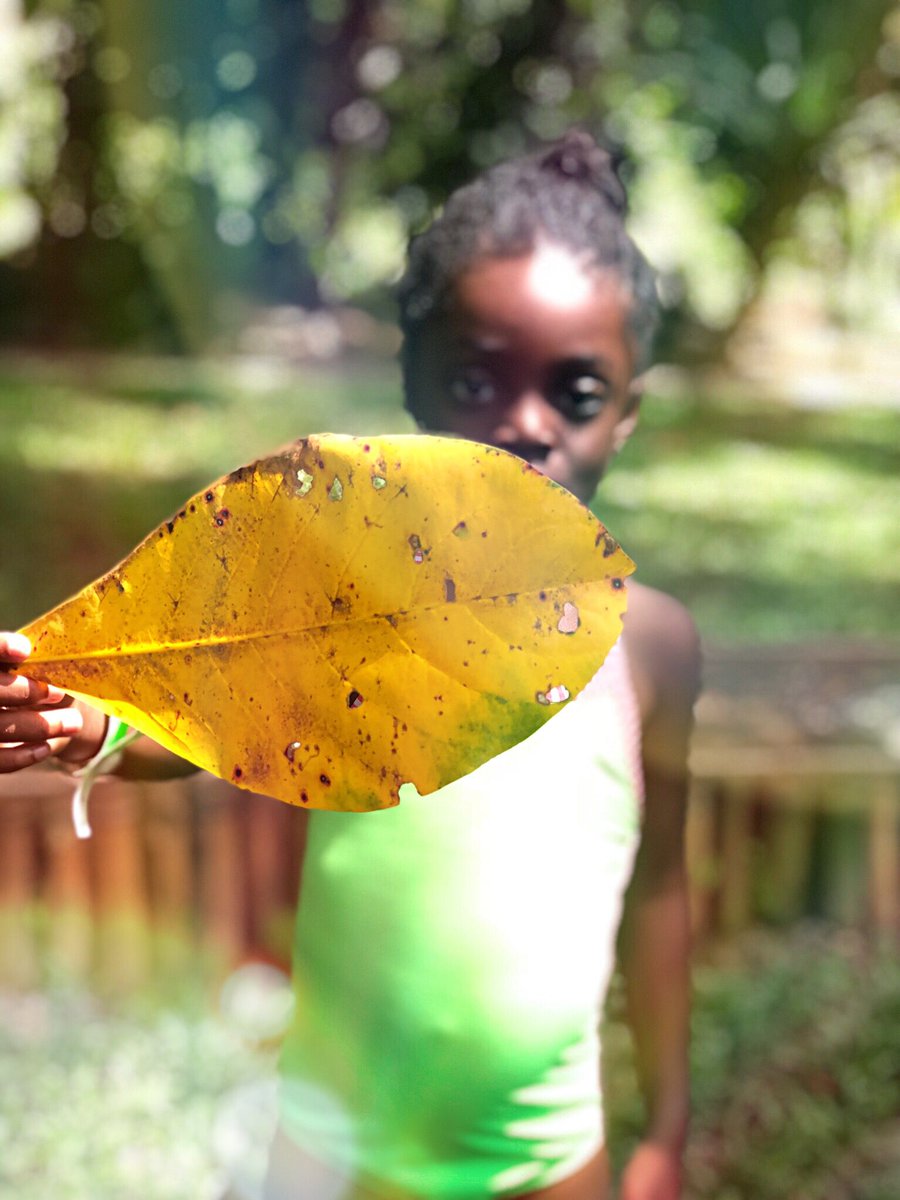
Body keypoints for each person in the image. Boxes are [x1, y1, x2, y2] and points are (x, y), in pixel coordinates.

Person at [0, 129, 700, 1200]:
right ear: (415, 386)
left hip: (548, 1160)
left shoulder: (652, 646)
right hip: (329, 1155)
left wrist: (669, 1127)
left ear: (629, 415)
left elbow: (658, 888)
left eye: (576, 392)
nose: (525, 424)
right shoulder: (342, 614)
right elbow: (211, 729)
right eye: (476, 378)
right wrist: (99, 728)